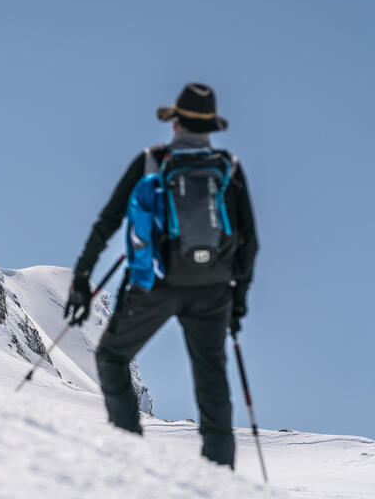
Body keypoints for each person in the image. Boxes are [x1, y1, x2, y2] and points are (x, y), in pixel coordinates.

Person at [66, 82, 258, 468]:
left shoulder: (152, 160)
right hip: (213, 288)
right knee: (212, 382)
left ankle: (132, 459)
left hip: (153, 283)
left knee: (112, 357)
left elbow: (107, 222)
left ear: (175, 124)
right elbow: (248, 241)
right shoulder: (229, 168)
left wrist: (82, 279)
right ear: (209, 128)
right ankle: (219, 479)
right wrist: (237, 302)